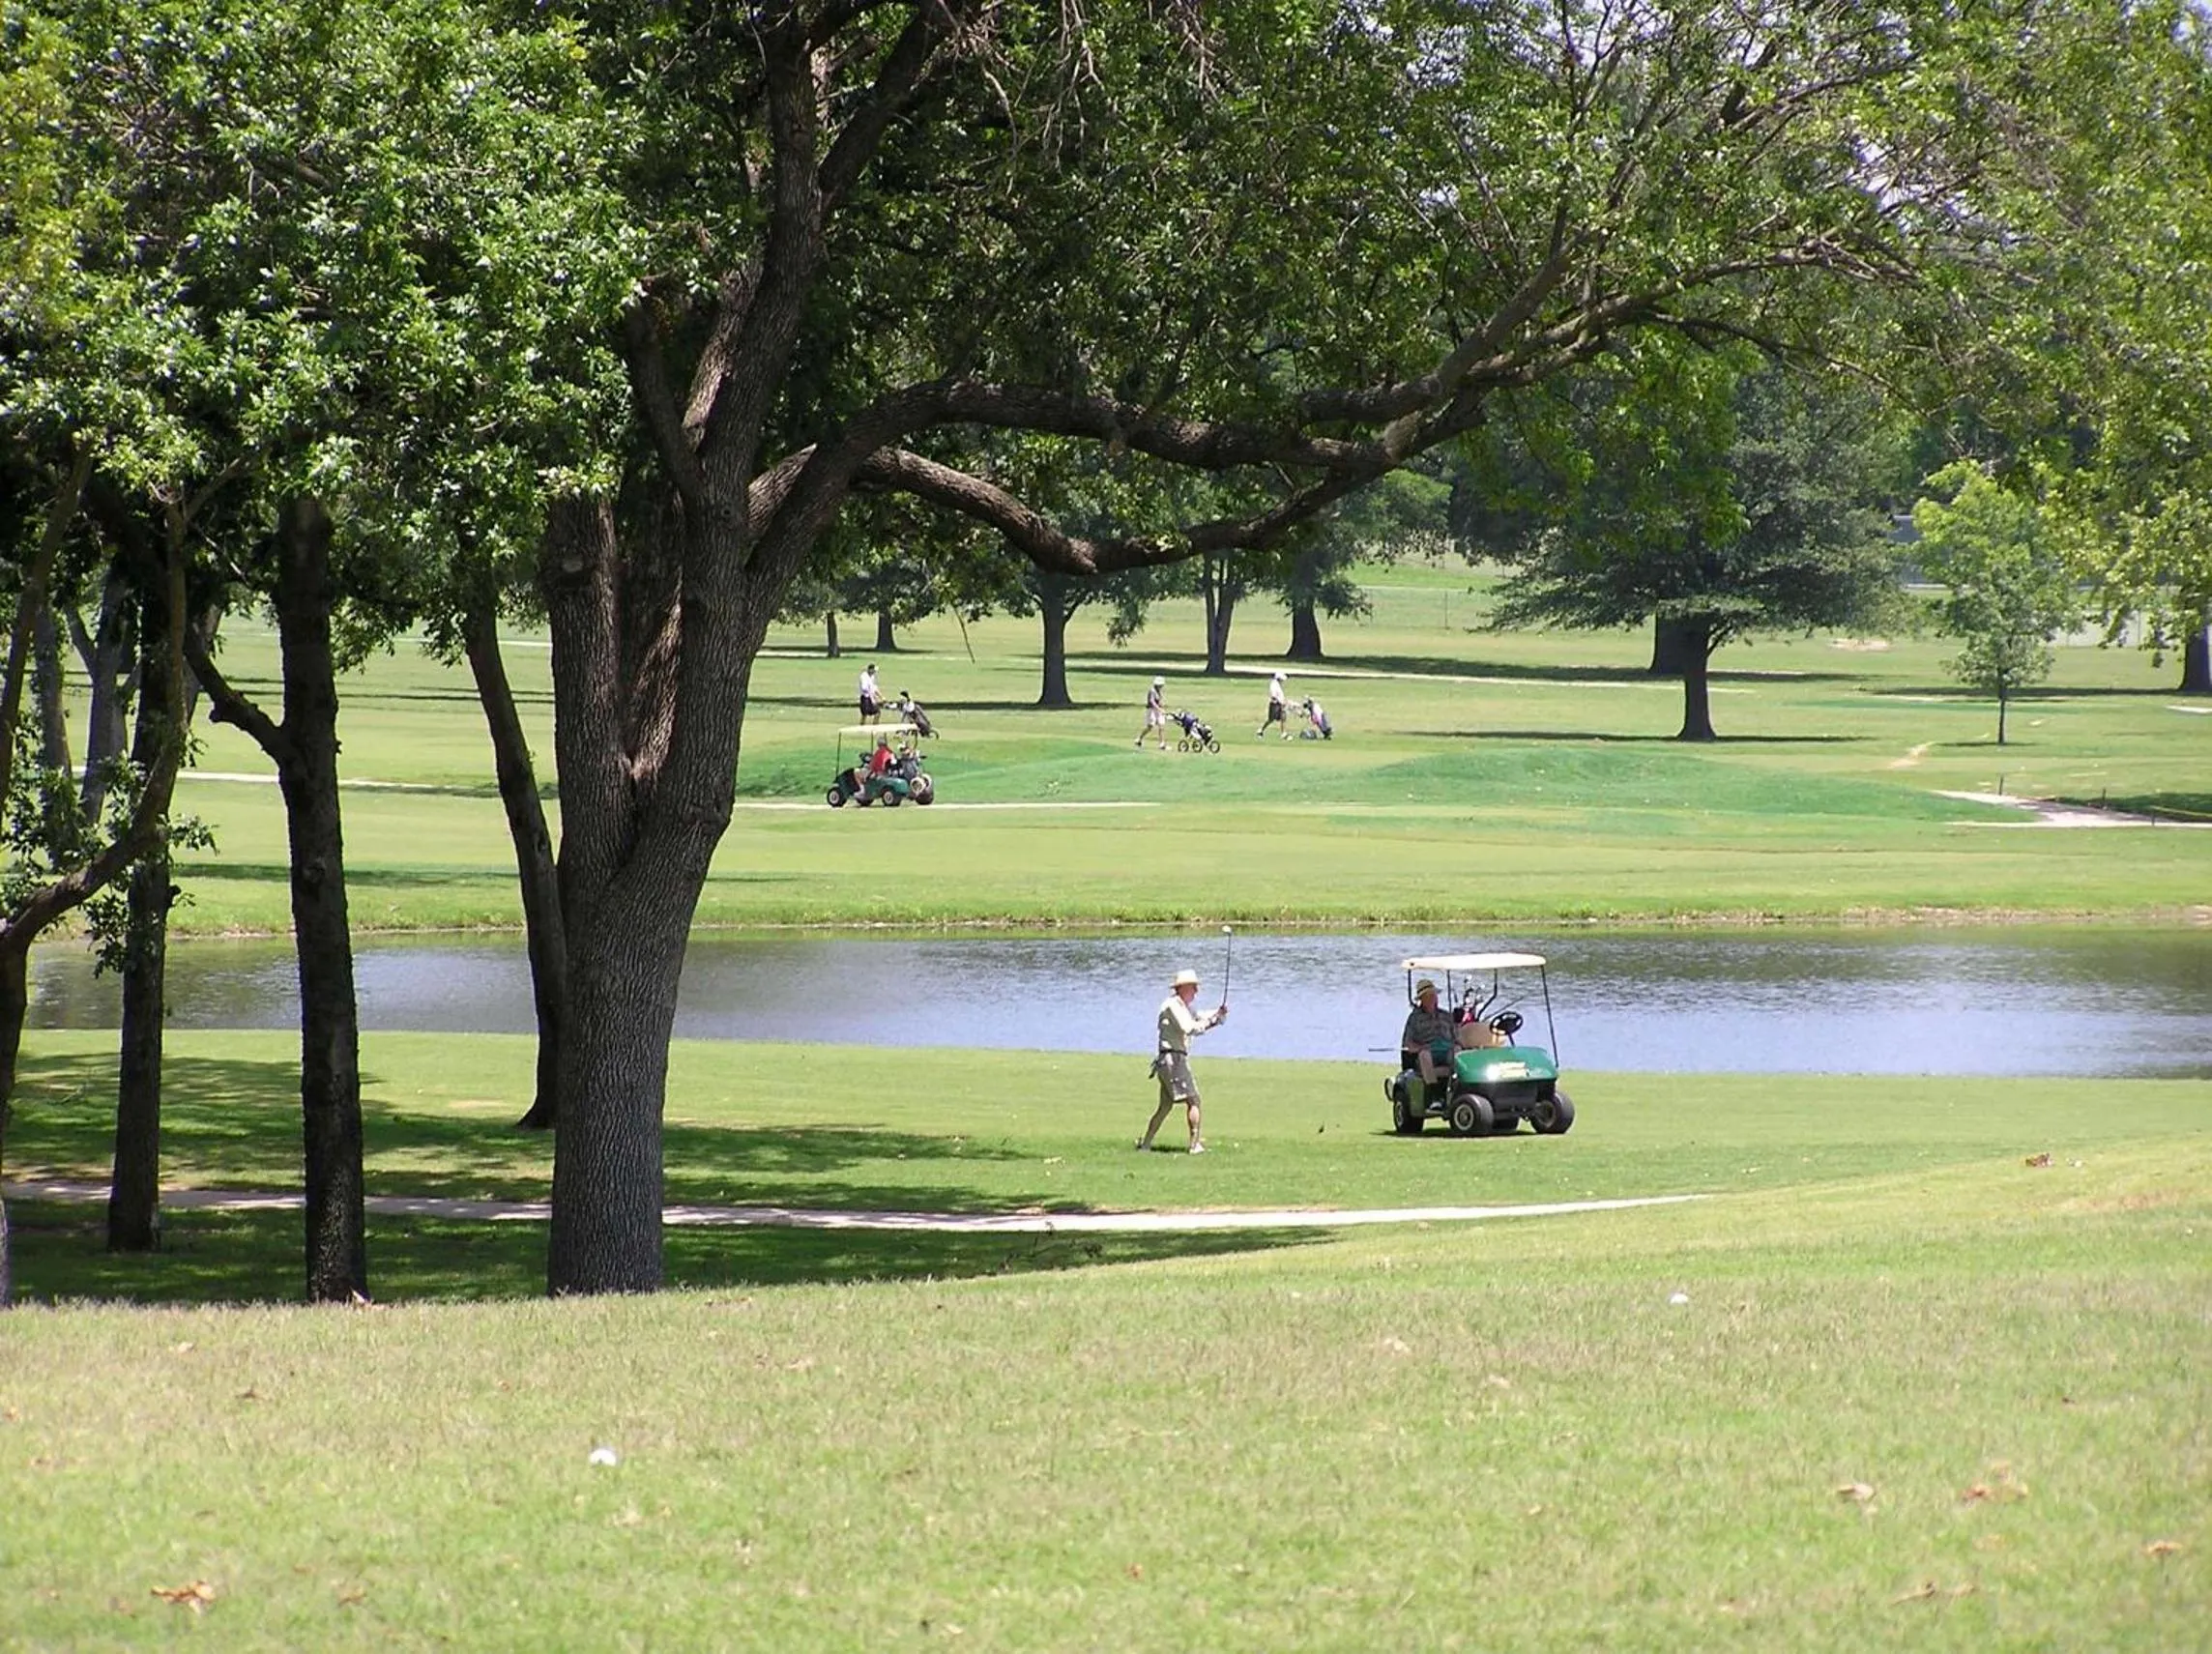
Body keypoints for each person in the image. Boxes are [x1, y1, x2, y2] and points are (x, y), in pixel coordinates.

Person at [1139, 968, 1227, 1154]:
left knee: (1165, 1106)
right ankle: (1194, 1145)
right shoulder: (1173, 1005)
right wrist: (1211, 1022)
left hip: (1168, 1060)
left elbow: (1200, 1016)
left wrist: (1217, 1014)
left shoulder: (1182, 1005)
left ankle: (1146, 1145)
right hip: (1173, 1059)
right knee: (1194, 1100)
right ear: (1183, 987)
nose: (1196, 991)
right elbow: (1190, 1028)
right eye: (1193, 987)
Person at [1399, 977, 1458, 1088]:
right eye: (1429, 996)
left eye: (1434, 995)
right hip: (1428, 1053)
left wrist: (1456, 1045)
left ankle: (1457, 1087)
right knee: (1424, 1055)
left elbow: (1456, 1037)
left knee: (1458, 1052)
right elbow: (1408, 1044)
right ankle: (1433, 1092)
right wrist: (1420, 1048)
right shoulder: (1415, 1018)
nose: (1433, 999)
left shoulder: (1446, 1016)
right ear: (1422, 999)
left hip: (1447, 1051)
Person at [1135, 676, 1168, 749]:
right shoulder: (1152, 691)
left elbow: (1159, 701)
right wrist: (1159, 709)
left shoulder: (1159, 691)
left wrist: (1162, 706)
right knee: (1150, 726)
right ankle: (1139, 739)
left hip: (1158, 710)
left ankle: (1162, 744)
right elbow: (1152, 702)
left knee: (1161, 725)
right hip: (1151, 710)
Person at [1257, 670, 1289, 739]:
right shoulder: (1273, 685)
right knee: (1271, 719)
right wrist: (1280, 702)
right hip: (1275, 704)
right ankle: (1261, 730)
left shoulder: (1277, 684)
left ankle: (1284, 734)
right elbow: (1274, 696)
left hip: (1280, 704)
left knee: (1283, 717)